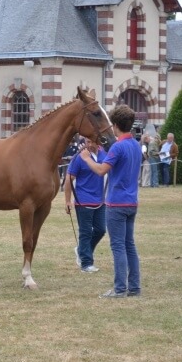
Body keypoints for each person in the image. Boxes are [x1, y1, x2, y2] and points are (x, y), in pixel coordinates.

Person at [79, 104, 140, 298]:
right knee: (129, 245)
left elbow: (100, 170)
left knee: (118, 246)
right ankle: (134, 287)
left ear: (114, 125)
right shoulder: (135, 145)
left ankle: (120, 289)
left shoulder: (117, 147)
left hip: (116, 203)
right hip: (132, 202)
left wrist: (87, 158)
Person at [64, 137, 106, 273]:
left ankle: (82, 250)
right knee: (85, 232)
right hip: (83, 200)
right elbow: (69, 179)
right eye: (87, 141)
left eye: (93, 141)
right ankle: (86, 264)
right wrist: (67, 200)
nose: (90, 144)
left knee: (101, 230)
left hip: (100, 200)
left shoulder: (104, 153)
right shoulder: (79, 157)